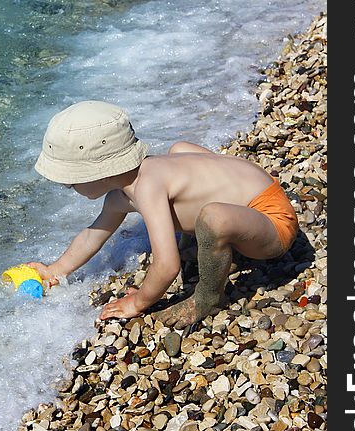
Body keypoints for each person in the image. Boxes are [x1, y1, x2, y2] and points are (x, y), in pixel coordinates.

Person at [29, 100, 298, 329]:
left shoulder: (147, 187)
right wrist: (55, 270)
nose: (67, 186)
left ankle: (207, 297)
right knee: (179, 149)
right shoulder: (123, 194)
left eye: (71, 180)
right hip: (250, 190)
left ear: (100, 170)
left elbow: (167, 266)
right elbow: (91, 236)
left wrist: (138, 301)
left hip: (273, 221)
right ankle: (210, 239)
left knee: (213, 217)